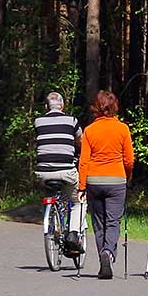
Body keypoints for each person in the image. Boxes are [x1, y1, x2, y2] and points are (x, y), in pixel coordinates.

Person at [77, 90, 134, 279]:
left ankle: (104, 256)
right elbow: (129, 160)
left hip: (94, 180)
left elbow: (83, 161)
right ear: (115, 106)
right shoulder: (122, 129)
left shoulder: (89, 131)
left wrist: (82, 186)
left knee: (99, 222)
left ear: (96, 108)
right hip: (116, 179)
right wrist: (127, 176)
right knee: (113, 221)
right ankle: (108, 253)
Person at [33, 91, 86, 255]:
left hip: (43, 173)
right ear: (62, 106)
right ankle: (73, 233)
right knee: (78, 201)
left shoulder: (38, 121)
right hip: (66, 171)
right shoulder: (72, 121)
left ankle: (54, 226)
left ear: (46, 106)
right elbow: (82, 141)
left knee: (50, 194)